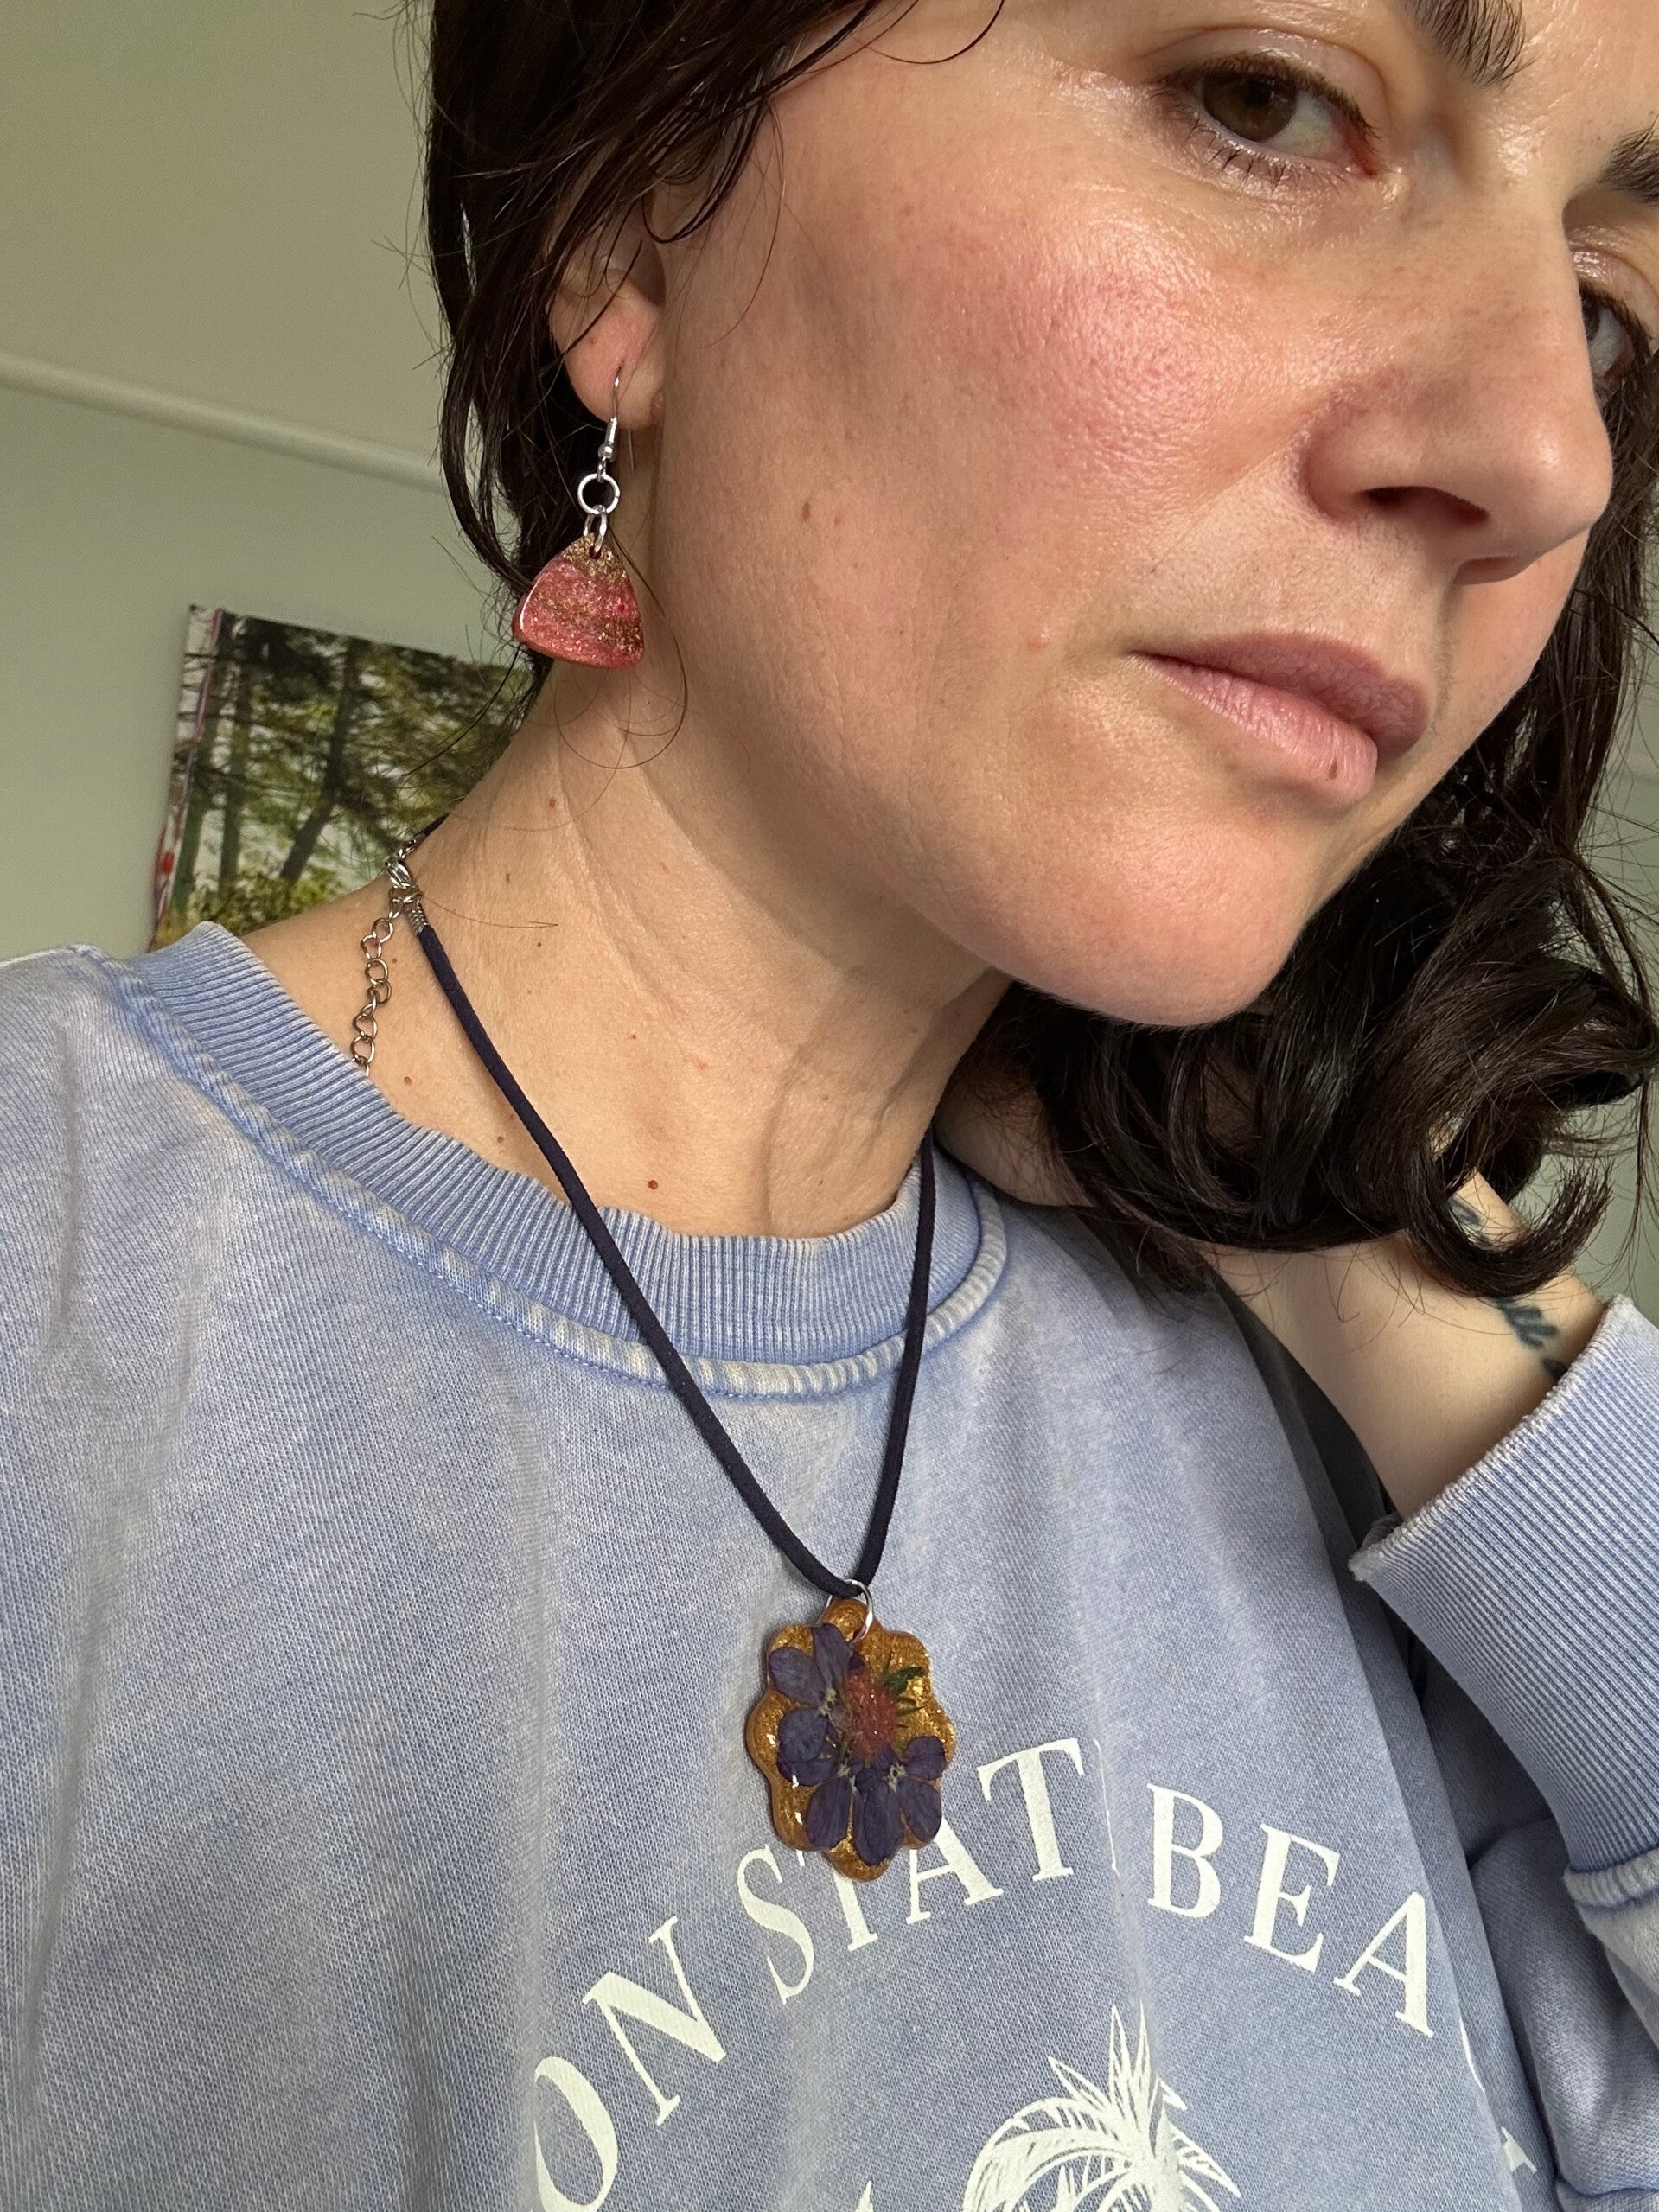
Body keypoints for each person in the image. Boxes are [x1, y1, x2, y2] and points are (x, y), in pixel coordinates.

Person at [4, 2, 1659, 2204]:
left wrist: (1392, 1278)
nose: (1548, 453)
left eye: (1609, 311)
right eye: (1267, 102)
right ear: (630, 231)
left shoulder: (1369, 1416)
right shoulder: (54, 1304)